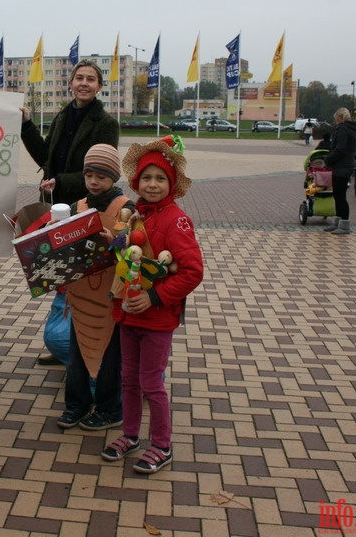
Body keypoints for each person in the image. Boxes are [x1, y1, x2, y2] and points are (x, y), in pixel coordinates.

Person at [101, 136, 203, 475]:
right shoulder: (134, 215)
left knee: (151, 384)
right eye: (147, 178)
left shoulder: (177, 220)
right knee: (128, 378)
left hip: (158, 317)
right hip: (129, 314)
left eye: (160, 179)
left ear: (171, 184)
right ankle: (130, 435)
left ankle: (162, 444)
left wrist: (155, 297)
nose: (153, 184)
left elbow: (192, 272)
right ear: (136, 182)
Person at [19, 60, 119, 365]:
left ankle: (76, 345)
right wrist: (25, 124)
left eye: (91, 79)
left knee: (80, 278)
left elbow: (101, 172)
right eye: (79, 78)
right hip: (56, 206)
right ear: (71, 83)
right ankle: (62, 338)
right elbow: (46, 156)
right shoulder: (63, 114)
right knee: (60, 276)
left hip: (85, 208)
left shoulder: (105, 122)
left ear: (99, 87)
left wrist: (61, 180)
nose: (84, 83)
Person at [57, 144, 133, 431]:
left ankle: (110, 409)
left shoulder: (126, 208)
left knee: (110, 355)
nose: (93, 181)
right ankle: (76, 404)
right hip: (82, 293)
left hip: (112, 294)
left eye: (101, 175)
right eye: (89, 174)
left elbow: (136, 245)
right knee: (78, 350)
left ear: (113, 177)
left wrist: (113, 239)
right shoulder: (79, 206)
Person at [323, 108, 356, 234]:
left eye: (335, 118)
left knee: (340, 195)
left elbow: (340, 148)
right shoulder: (351, 129)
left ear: (339, 117)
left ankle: (344, 224)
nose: (335, 120)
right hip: (345, 165)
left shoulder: (342, 129)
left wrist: (328, 160)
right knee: (338, 195)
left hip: (341, 166)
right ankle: (339, 222)